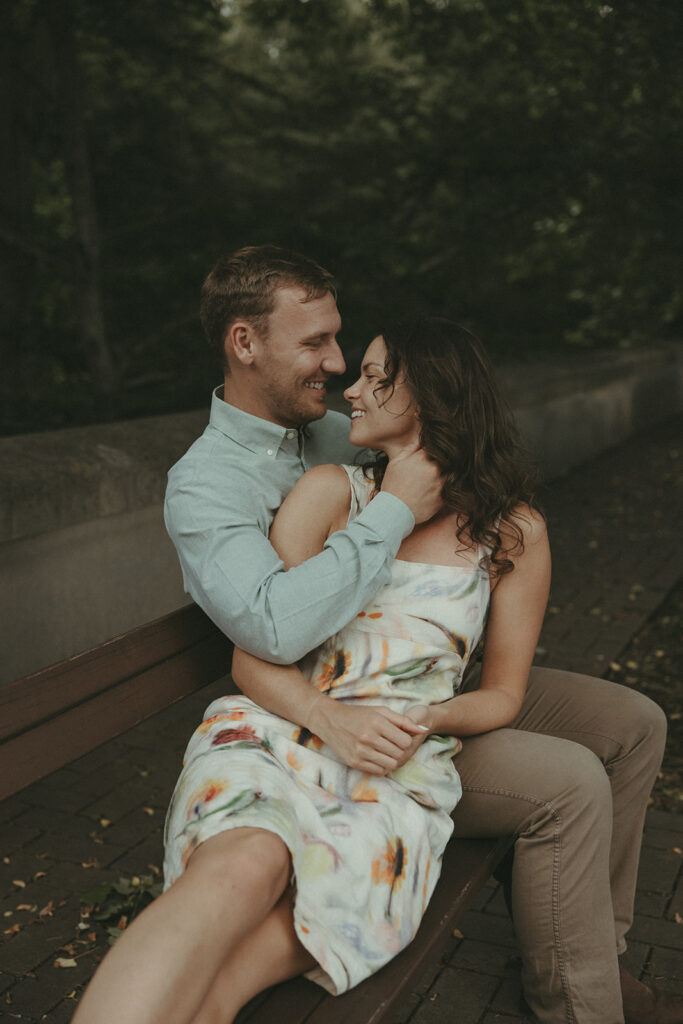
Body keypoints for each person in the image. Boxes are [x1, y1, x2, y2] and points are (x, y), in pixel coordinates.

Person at [72, 247, 675, 1024]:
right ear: (243, 343)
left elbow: (448, 460)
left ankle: (601, 952)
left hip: (434, 683)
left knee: (633, 725)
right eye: (316, 345)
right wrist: (392, 510)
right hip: (324, 703)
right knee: (565, 782)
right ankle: (577, 993)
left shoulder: (338, 433)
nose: (338, 372)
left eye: (348, 351)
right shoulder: (214, 482)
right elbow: (270, 633)